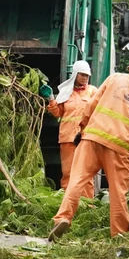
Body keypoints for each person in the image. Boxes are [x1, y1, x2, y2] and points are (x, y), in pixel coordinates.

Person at [49, 55, 129, 240]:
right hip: (119, 148)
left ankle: (63, 218)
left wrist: (82, 129)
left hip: (92, 138)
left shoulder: (115, 78)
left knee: (76, 181)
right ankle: (119, 235)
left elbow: (91, 106)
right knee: (118, 193)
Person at [42, 60, 98, 196]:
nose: (85, 78)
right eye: (82, 75)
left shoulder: (93, 91)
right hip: (68, 138)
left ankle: (87, 205)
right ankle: (67, 203)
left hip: (86, 138)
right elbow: (58, 113)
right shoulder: (65, 92)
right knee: (68, 172)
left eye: (87, 75)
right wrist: (50, 99)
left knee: (86, 173)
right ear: (75, 75)